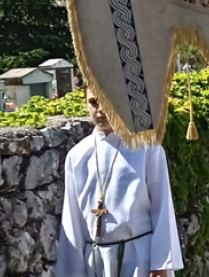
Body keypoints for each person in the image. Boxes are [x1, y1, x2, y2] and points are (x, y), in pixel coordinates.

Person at [56, 88, 182, 277]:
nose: (100, 110)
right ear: (85, 103)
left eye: (108, 102)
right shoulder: (77, 156)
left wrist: (161, 264)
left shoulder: (146, 147)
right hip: (96, 262)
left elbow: (162, 207)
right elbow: (72, 219)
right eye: (94, 102)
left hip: (139, 259)